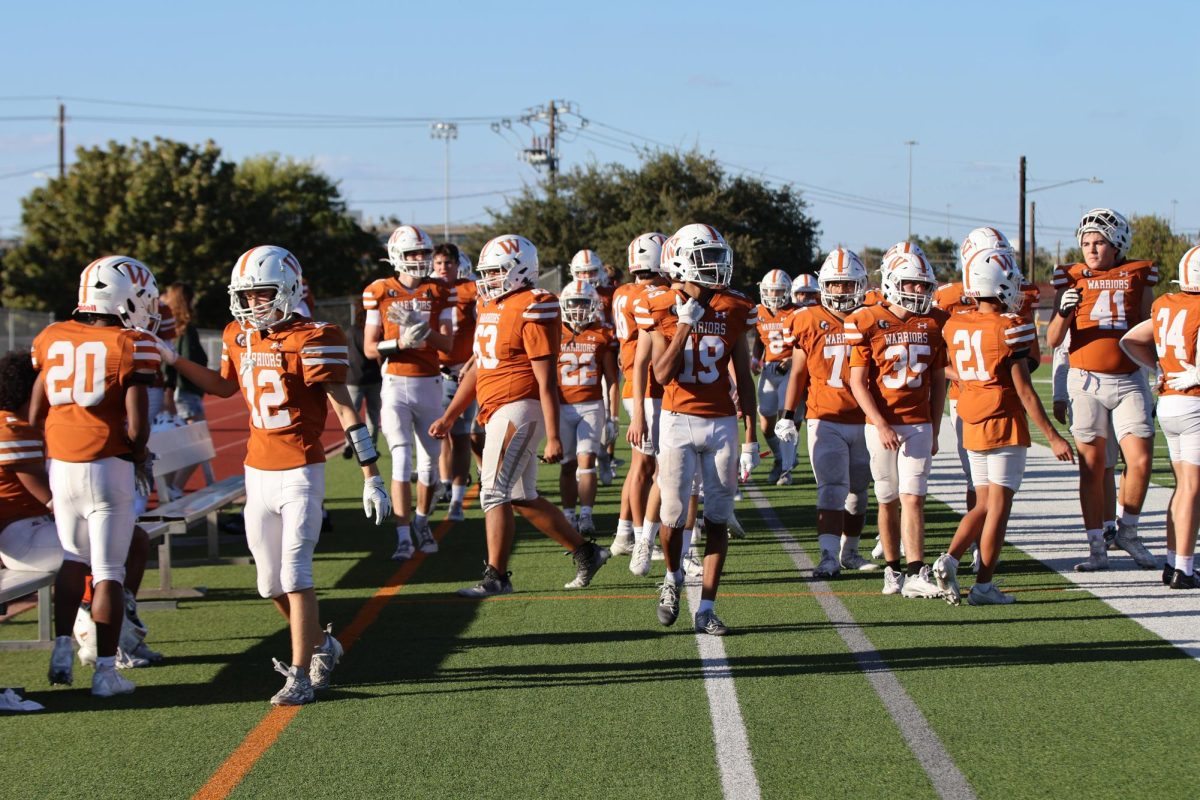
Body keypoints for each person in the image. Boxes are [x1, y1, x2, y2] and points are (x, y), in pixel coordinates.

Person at [158, 245, 391, 705]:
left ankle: (301, 674)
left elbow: (344, 408)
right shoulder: (237, 335)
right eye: (245, 297)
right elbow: (224, 386)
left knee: (296, 572)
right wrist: (173, 359)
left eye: (261, 294)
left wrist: (371, 473)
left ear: (286, 290)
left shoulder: (316, 336)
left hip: (300, 471)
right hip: (256, 472)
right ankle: (322, 643)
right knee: (268, 583)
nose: (252, 305)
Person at [431, 234, 609, 595]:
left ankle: (496, 577)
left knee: (493, 491)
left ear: (521, 270)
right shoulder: (490, 305)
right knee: (521, 495)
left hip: (520, 406)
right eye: (487, 271)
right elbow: (480, 367)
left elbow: (546, 379)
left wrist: (555, 434)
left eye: (497, 270)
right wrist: (451, 414)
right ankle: (586, 551)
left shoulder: (536, 304)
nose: (490, 278)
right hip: (495, 406)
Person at [30, 256, 160, 697]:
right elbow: (138, 426)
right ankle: (106, 672)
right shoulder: (130, 343)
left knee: (72, 558)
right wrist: (139, 454)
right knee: (108, 572)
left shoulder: (50, 336)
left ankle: (62, 647)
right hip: (108, 466)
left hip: (61, 466)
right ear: (121, 297)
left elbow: (35, 412)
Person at [932, 249, 1074, 605]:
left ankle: (949, 558)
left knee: (982, 504)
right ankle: (982, 585)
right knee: (998, 508)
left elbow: (947, 364)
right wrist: (1054, 437)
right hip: (1004, 421)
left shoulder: (957, 322)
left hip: (970, 417)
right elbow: (1025, 391)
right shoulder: (1010, 327)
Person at [643, 224, 759, 635]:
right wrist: (685, 325)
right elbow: (660, 373)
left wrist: (750, 435)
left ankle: (707, 607)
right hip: (676, 420)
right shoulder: (659, 305)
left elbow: (743, 377)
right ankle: (672, 579)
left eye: (717, 256)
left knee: (717, 516)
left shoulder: (734, 306)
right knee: (672, 515)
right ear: (680, 262)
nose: (716, 265)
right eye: (706, 257)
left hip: (722, 422)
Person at [1046, 208, 1158, 571]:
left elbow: (1148, 329)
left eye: (1099, 243)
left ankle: (1128, 530)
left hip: (1128, 379)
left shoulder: (1139, 274)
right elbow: (1052, 339)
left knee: (1140, 462)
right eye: (1086, 243)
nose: (1091, 250)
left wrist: (1158, 374)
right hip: (1086, 381)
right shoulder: (1071, 276)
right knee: (1092, 468)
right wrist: (1063, 312)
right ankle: (1097, 545)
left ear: (1118, 244)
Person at [846, 250, 947, 598]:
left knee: (914, 497)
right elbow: (857, 382)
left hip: (918, 423)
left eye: (923, 286)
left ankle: (917, 570)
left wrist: (934, 426)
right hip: (881, 427)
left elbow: (939, 381)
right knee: (887, 498)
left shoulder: (935, 322)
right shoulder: (868, 320)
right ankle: (892, 568)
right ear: (892, 282)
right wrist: (880, 423)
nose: (919, 292)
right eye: (912, 284)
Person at [776, 248, 877, 577]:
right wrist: (788, 415)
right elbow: (798, 372)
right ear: (824, 286)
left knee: (859, 492)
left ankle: (850, 551)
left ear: (860, 285)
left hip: (864, 418)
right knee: (832, 487)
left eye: (848, 285)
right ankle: (828, 556)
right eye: (834, 284)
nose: (841, 292)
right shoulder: (806, 319)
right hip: (826, 416)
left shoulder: (873, 316)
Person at [363, 225, 456, 560]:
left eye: (423, 253)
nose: (419, 259)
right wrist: (400, 343)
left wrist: (425, 331)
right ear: (396, 256)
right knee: (401, 458)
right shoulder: (379, 290)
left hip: (429, 383)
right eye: (412, 253)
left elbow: (447, 344)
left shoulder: (439, 290)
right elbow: (370, 348)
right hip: (395, 384)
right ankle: (402, 535)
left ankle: (421, 521)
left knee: (430, 461)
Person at [1119, 245, 1200, 588]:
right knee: (1193, 488)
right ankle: (1184, 568)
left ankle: (1172, 563)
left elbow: (1130, 340)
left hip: (1169, 403)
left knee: (1183, 487)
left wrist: (1159, 370)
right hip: (1195, 402)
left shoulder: (1166, 304)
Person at [613, 232, 669, 572]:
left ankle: (626, 533)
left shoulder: (622, 292)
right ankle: (640, 534)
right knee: (653, 468)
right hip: (647, 383)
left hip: (634, 381)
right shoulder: (654, 295)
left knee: (642, 466)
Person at [555, 280, 618, 535]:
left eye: (584, 303)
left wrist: (613, 416)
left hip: (591, 405)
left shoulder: (603, 334)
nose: (579, 309)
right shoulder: (553, 332)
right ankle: (568, 515)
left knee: (587, 461)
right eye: (574, 303)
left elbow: (612, 379)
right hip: (562, 406)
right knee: (568, 464)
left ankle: (586, 515)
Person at [432, 243, 478, 522]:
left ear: (457, 265)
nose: (442, 268)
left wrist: (473, 362)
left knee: (461, 436)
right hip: (432, 373)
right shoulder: (427, 290)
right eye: (438, 263)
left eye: (447, 263)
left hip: (462, 373)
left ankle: (457, 499)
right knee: (439, 435)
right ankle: (444, 484)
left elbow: (485, 328)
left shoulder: (471, 290)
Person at [753, 269, 799, 485]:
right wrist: (755, 359)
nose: (772, 295)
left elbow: (803, 343)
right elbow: (759, 339)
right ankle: (781, 458)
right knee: (765, 420)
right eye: (769, 290)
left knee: (784, 416)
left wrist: (792, 360)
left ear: (787, 291)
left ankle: (786, 470)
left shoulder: (796, 312)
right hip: (769, 368)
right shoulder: (758, 311)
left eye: (777, 290)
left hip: (789, 368)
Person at [342, 296, 382, 462]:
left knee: (351, 413)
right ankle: (371, 447)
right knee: (372, 414)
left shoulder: (350, 331)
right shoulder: (375, 331)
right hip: (373, 377)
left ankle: (348, 444)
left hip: (353, 378)